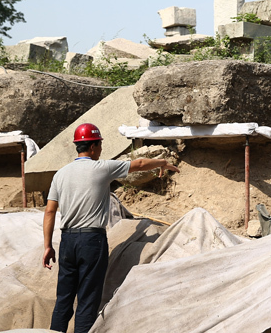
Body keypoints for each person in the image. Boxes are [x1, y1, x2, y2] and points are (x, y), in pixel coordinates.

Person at [42, 123, 180, 333]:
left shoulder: (60, 175)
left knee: (63, 300)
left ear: (77, 146)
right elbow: (140, 163)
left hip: (67, 242)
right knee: (87, 301)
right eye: (100, 146)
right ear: (94, 147)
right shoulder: (102, 168)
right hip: (91, 241)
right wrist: (162, 162)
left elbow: (50, 212)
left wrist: (47, 246)